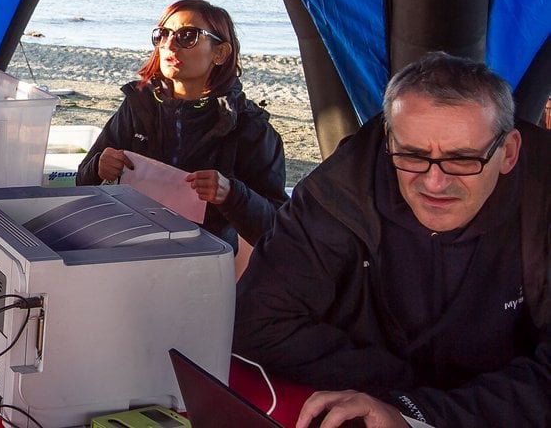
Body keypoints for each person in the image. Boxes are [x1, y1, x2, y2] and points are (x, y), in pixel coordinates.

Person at [233, 52, 551, 428]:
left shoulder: (542, 199)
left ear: (509, 153)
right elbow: (258, 322)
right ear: (388, 143)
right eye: (413, 156)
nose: (435, 182)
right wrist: (398, 398)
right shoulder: (339, 192)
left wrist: (423, 411)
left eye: (463, 159)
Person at [75, 0, 288, 251]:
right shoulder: (138, 105)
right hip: (128, 245)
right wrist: (99, 166)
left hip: (205, 258)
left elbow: (277, 227)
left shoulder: (248, 126)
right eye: (162, 35)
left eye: (187, 36)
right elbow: (82, 179)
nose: (170, 45)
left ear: (220, 53)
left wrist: (231, 194)